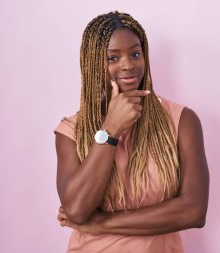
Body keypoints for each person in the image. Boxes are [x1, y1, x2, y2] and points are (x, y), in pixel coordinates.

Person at [54, 11, 209, 253]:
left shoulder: (182, 121)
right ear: (93, 63)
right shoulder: (71, 131)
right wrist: (110, 128)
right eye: (112, 58)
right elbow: (76, 209)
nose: (128, 65)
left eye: (135, 54)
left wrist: (102, 223)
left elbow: (193, 210)